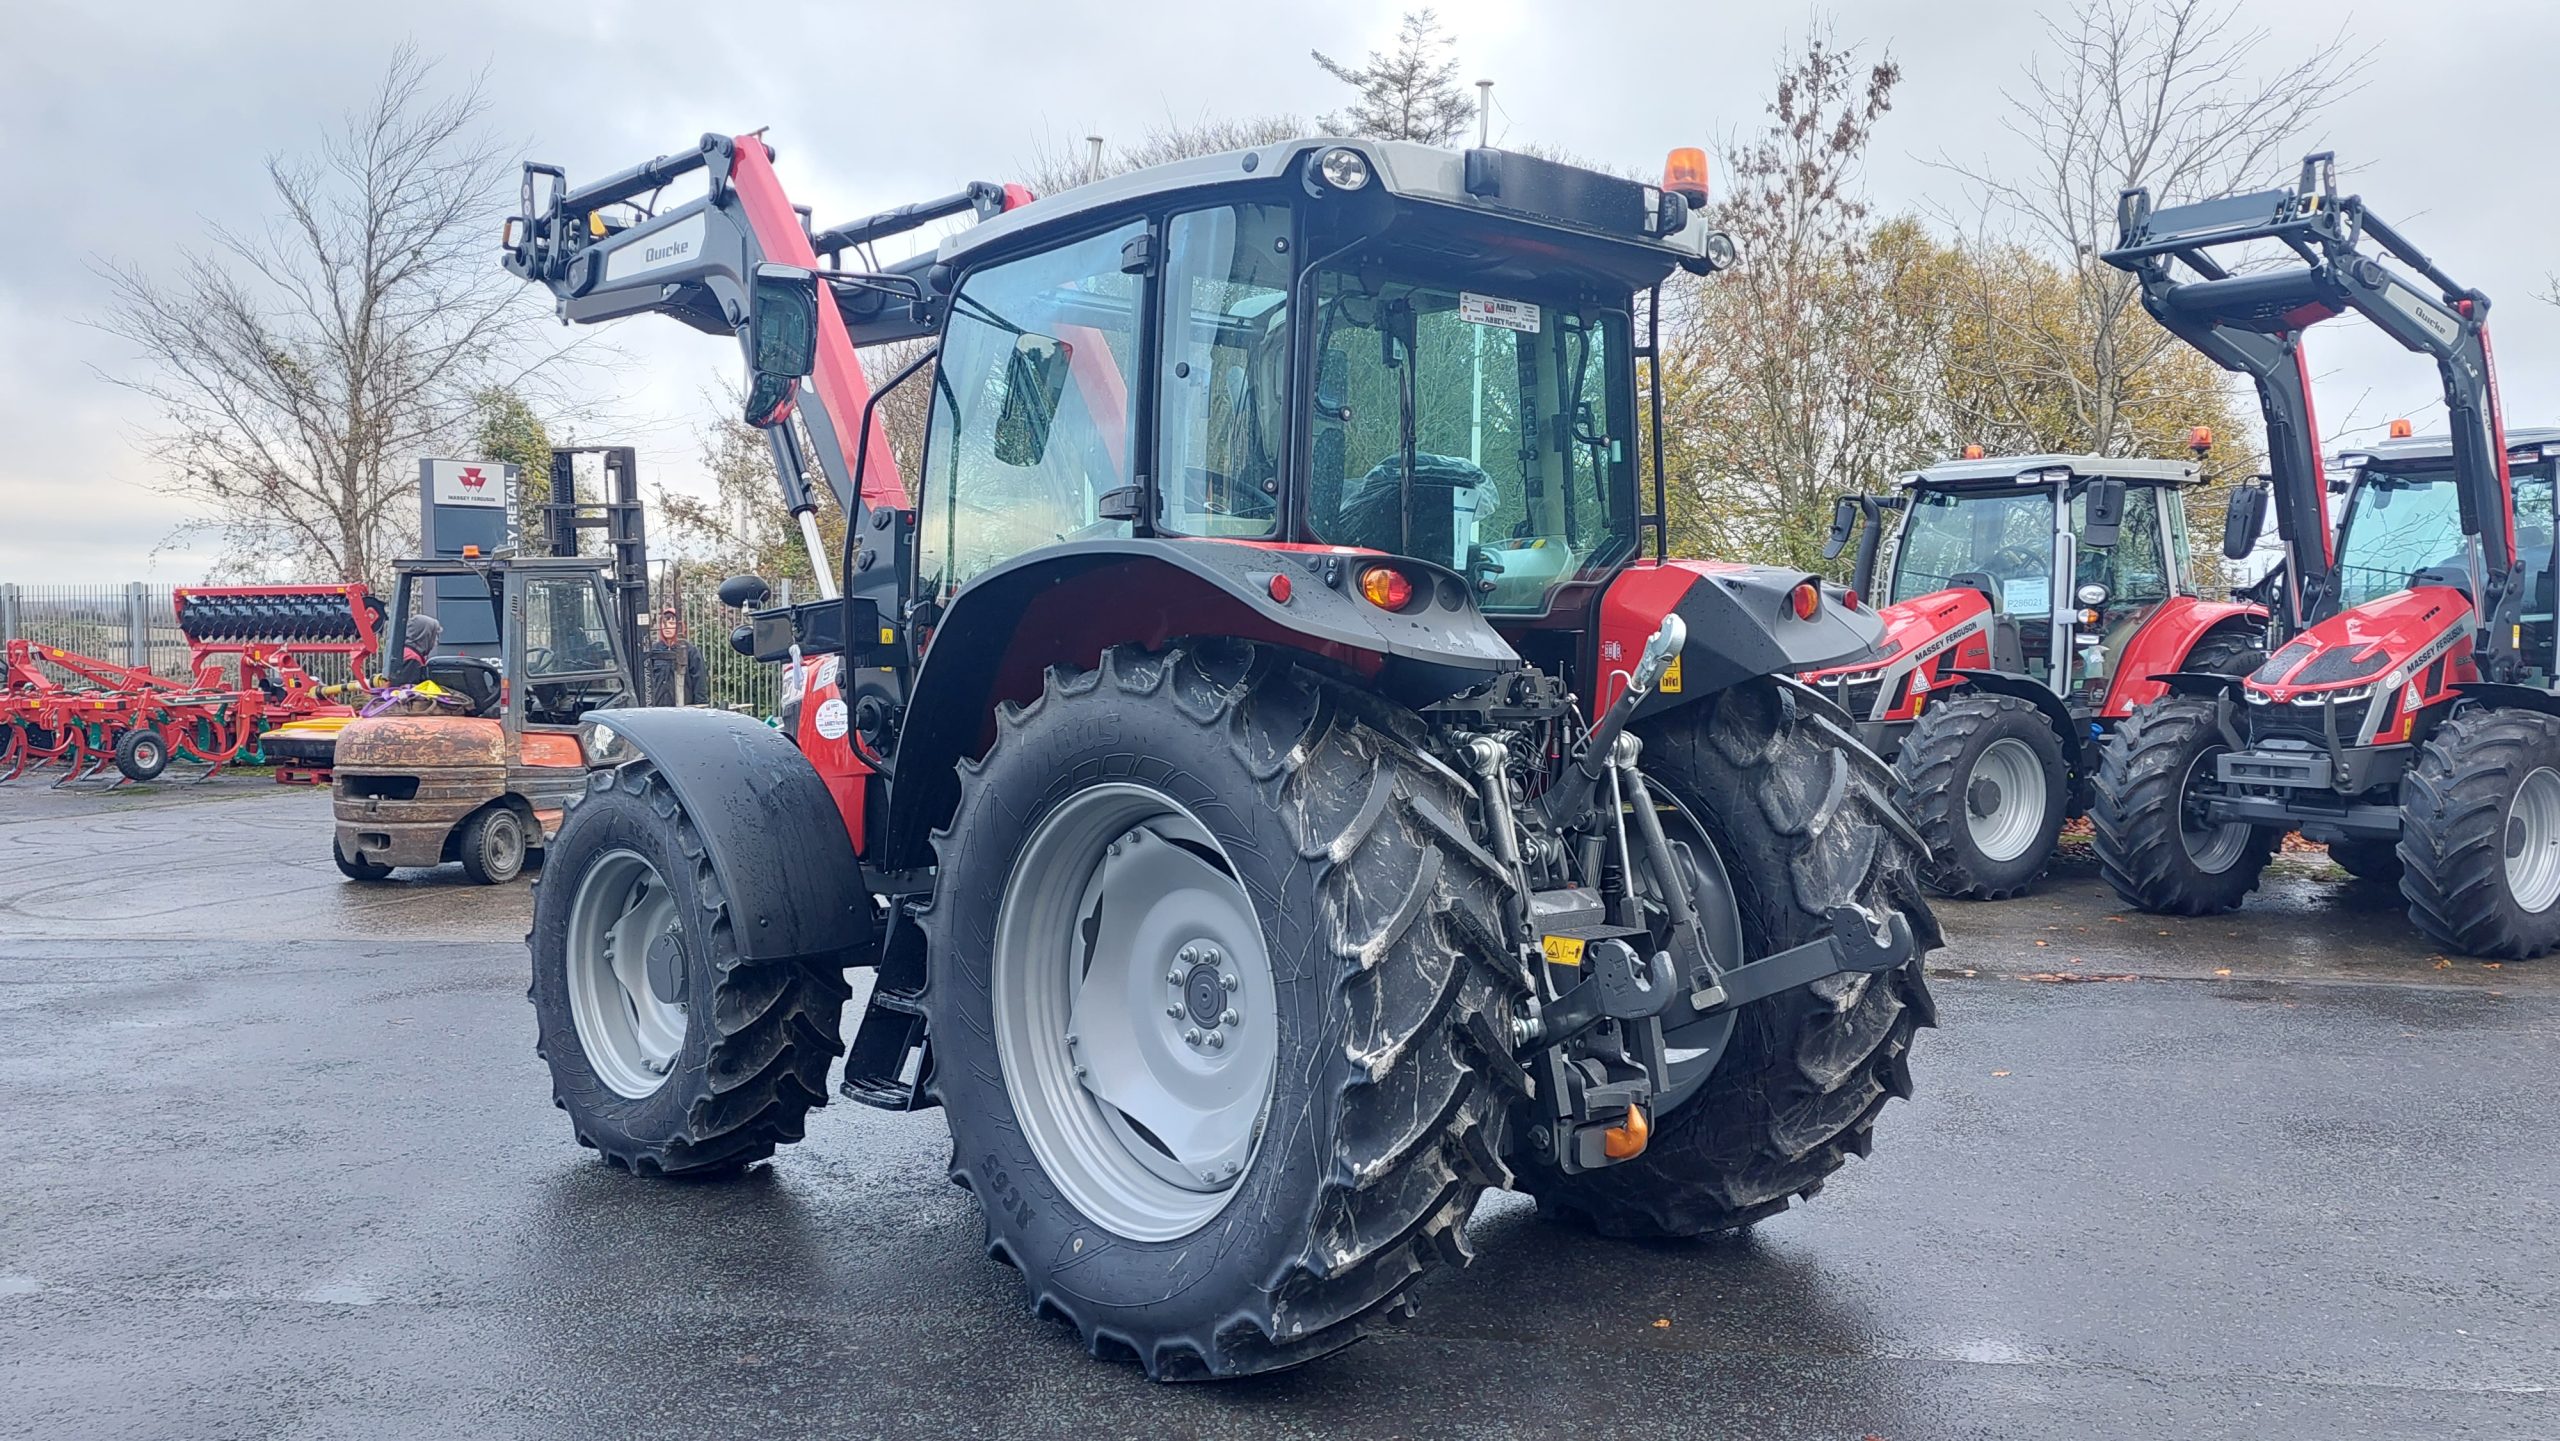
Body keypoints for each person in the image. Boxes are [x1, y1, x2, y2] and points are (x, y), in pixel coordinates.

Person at [643, 606, 708, 707]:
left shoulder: (690, 651)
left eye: (671, 623)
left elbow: (699, 682)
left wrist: (700, 706)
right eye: (664, 623)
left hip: (684, 707)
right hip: (658, 708)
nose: (667, 627)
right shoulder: (653, 651)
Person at [388, 613, 441, 686]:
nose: (436, 640)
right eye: (435, 635)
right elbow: (408, 690)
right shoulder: (412, 659)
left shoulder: (403, 652)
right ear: (425, 635)